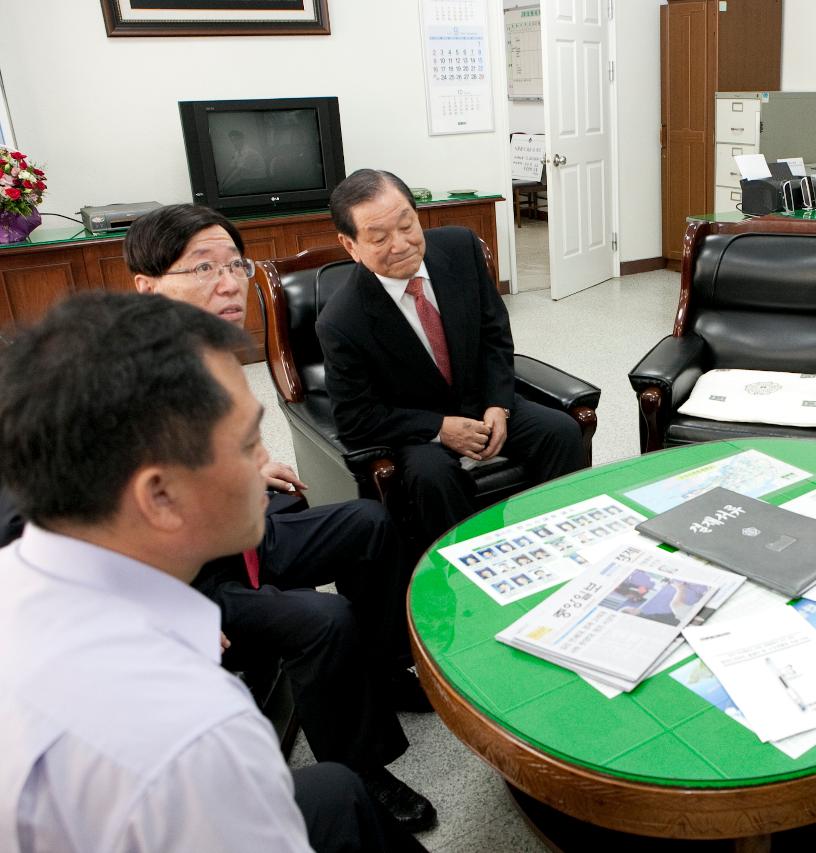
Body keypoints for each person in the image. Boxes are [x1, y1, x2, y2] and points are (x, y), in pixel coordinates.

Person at [0, 293, 423, 852]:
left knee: (337, 792)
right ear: (160, 495)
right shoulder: (198, 731)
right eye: (249, 443)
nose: (262, 461)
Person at [125, 203, 435, 829]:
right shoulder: (118, 376)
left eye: (234, 264)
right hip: (183, 580)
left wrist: (245, 466)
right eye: (202, 268)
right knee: (323, 616)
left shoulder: (209, 352)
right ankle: (362, 773)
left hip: (235, 530)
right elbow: (67, 520)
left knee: (367, 525)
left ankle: (381, 670)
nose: (228, 281)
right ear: (147, 286)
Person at [316, 169, 585, 544]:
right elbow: (355, 419)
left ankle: (560, 543)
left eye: (406, 225)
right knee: (432, 479)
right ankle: (463, 574)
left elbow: (494, 336)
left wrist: (498, 404)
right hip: (419, 426)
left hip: (480, 399)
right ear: (351, 246)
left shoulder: (461, 248)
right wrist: (439, 429)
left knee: (562, 432)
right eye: (379, 238)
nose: (401, 244)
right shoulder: (342, 320)